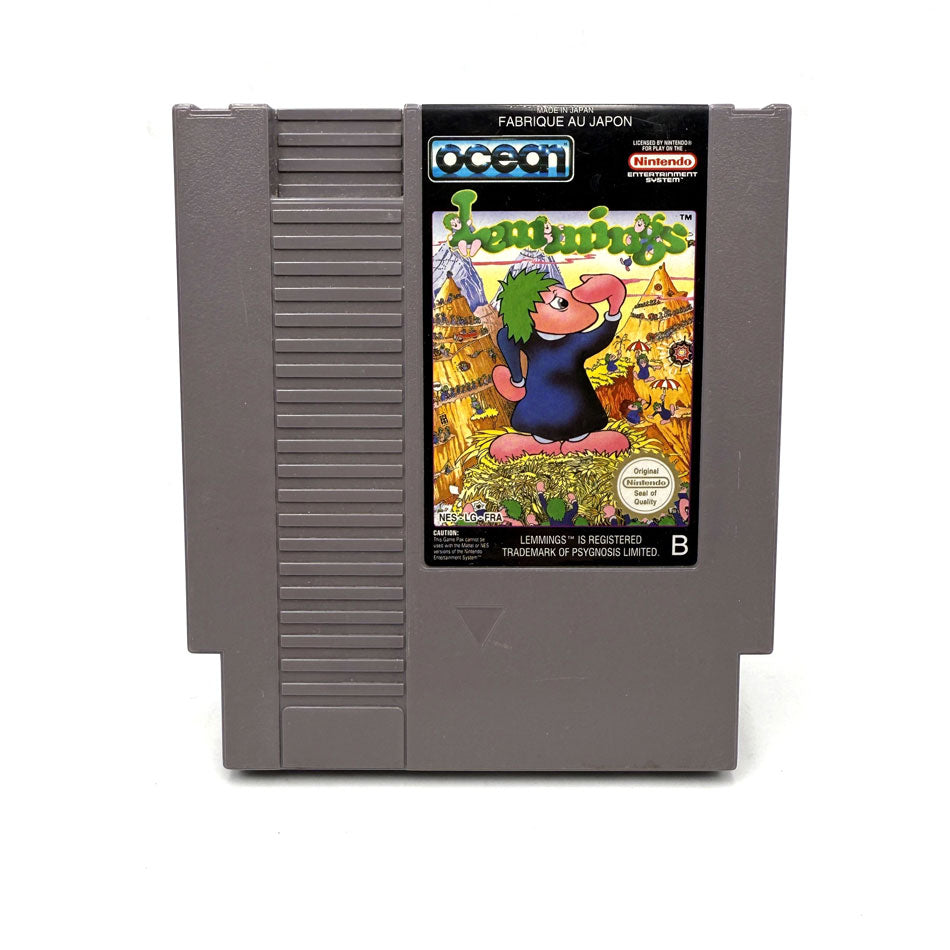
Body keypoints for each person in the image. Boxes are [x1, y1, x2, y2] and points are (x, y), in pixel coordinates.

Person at [489, 270, 630, 461]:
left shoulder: (576, 342)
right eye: (561, 302)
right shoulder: (529, 339)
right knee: (528, 437)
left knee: (603, 438)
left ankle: (577, 442)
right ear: (527, 313)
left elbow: (601, 337)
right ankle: (543, 443)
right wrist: (516, 379)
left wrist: (614, 308)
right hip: (538, 407)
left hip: (577, 408)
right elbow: (506, 338)